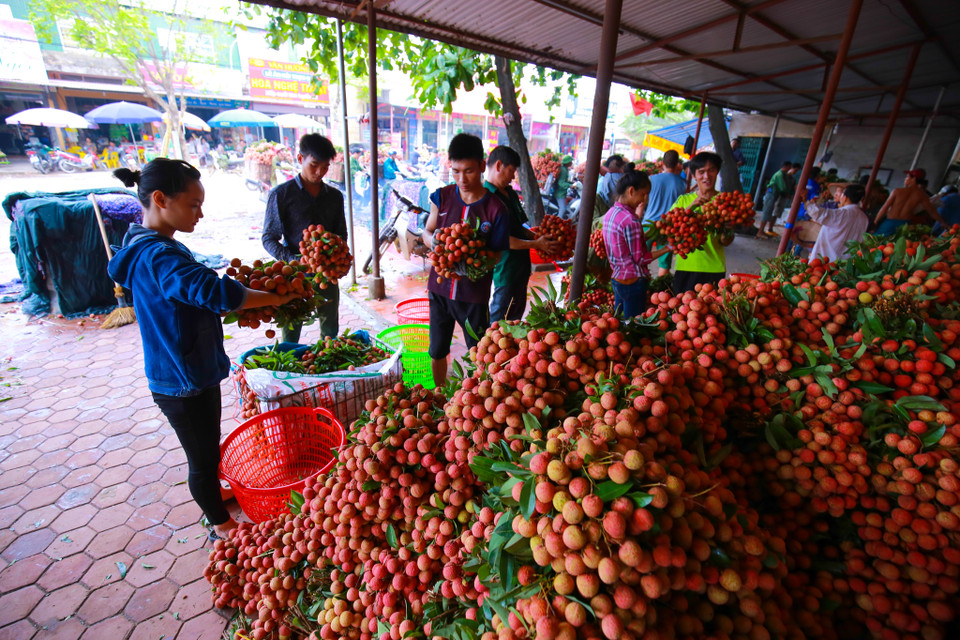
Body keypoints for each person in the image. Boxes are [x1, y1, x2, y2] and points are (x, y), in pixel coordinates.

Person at [107, 159, 300, 539]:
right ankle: (221, 525)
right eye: (194, 204)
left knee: (206, 450)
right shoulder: (159, 255)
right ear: (161, 199)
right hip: (183, 380)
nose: (201, 213)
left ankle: (214, 495)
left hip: (181, 369)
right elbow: (215, 292)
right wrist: (276, 298)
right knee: (203, 459)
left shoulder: (146, 244)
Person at [423, 133, 510, 386]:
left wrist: (474, 260)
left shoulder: (496, 209)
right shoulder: (443, 196)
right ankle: (439, 394)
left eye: (469, 171)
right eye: (456, 171)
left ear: (483, 166)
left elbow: (497, 255)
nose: (462, 179)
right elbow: (427, 232)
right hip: (439, 289)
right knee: (437, 349)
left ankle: (476, 398)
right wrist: (436, 240)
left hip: (473, 295)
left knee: (478, 353)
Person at [262, 134, 347, 343]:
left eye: (325, 167)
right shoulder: (280, 195)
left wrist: (337, 259)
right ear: (300, 159)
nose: (320, 172)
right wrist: (294, 260)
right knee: (290, 331)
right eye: (314, 165)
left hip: (326, 274)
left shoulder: (335, 197)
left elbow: (341, 235)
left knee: (330, 330)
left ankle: (329, 369)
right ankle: (290, 370)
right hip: (293, 275)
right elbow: (269, 238)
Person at [486, 145, 561, 322]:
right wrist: (536, 244)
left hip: (521, 267)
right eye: (511, 171)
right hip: (506, 270)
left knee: (515, 317)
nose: (513, 177)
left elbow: (519, 228)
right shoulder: (488, 198)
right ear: (498, 166)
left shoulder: (509, 194)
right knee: (499, 320)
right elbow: (502, 239)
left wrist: (538, 237)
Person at [603, 170, 669, 317]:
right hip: (633, 282)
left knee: (619, 323)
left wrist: (645, 236)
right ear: (631, 191)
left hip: (618, 279)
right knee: (635, 325)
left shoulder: (610, 214)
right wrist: (668, 248)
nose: (644, 200)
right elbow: (641, 258)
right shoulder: (631, 220)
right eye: (644, 194)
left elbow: (624, 243)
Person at [670, 152, 734, 294]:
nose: (706, 176)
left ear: (717, 172)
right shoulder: (683, 200)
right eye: (701, 172)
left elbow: (726, 241)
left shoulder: (725, 202)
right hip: (686, 266)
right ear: (694, 175)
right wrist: (690, 208)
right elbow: (670, 230)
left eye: (711, 170)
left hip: (714, 268)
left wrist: (727, 229)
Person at [643, 150, 686, 277]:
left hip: (648, 223)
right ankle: (659, 287)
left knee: (640, 258)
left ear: (662, 163)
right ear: (677, 164)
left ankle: (644, 283)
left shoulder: (651, 179)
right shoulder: (683, 184)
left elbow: (643, 202)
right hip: (669, 226)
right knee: (664, 262)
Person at [803, 184, 870, 263]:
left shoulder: (843, 213)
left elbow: (817, 213)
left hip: (826, 260)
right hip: (846, 263)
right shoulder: (864, 218)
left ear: (845, 198)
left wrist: (805, 200)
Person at [873, 169, 945, 235]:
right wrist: (944, 223)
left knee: (875, 244)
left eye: (907, 177)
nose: (905, 179)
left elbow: (884, 208)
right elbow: (932, 212)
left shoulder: (897, 191)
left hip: (889, 222)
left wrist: (875, 222)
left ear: (913, 179)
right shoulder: (922, 195)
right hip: (904, 225)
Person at [758, 161, 793, 238]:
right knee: (767, 212)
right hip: (771, 194)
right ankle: (760, 231)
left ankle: (762, 230)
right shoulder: (779, 175)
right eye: (789, 167)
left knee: (769, 212)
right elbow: (783, 187)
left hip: (774, 195)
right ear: (786, 166)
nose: (790, 169)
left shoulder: (783, 175)